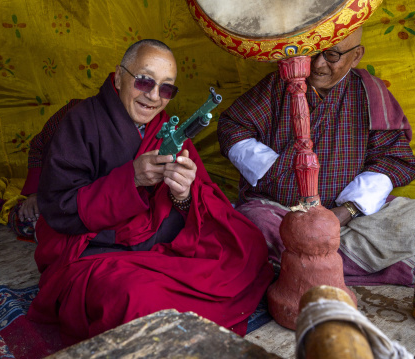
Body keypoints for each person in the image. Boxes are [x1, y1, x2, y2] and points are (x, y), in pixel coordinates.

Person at [26, 39, 274, 344]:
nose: (154, 97)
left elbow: (201, 201)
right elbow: (59, 208)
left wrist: (183, 194)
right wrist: (131, 179)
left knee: (248, 244)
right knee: (135, 300)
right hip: (97, 250)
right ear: (118, 77)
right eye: (144, 81)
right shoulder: (81, 122)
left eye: (166, 88)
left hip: (159, 243)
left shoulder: (165, 130)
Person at [217, 28, 415, 286]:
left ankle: (303, 267)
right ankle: (348, 269)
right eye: (312, 53)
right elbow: (232, 127)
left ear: (356, 56)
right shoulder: (280, 84)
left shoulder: (370, 93)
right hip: (282, 215)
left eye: (332, 55)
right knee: (252, 223)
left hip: (349, 224)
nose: (318, 64)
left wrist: (347, 210)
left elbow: (392, 158)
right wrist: (273, 169)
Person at [8, 99, 82, 239]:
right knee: (25, 218)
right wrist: (34, 193)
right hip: (57, 187)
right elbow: (38, 148)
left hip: (93, 195)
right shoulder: (70, 114)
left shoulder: (124, 127)